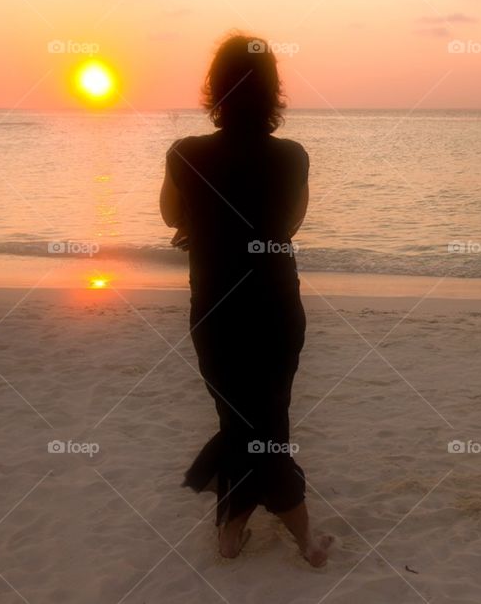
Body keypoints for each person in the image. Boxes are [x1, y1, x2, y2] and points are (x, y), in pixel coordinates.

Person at [159, 32, 330, 566]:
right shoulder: (292, 156)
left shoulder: (186, 153)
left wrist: (203, 225)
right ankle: (303, 538)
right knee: (266, 418)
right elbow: (290, 225)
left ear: (215, 89)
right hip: (276, 305)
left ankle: (231, 535)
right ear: (274, 90)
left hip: (214, 306)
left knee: (240, 420)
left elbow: (170, 216)